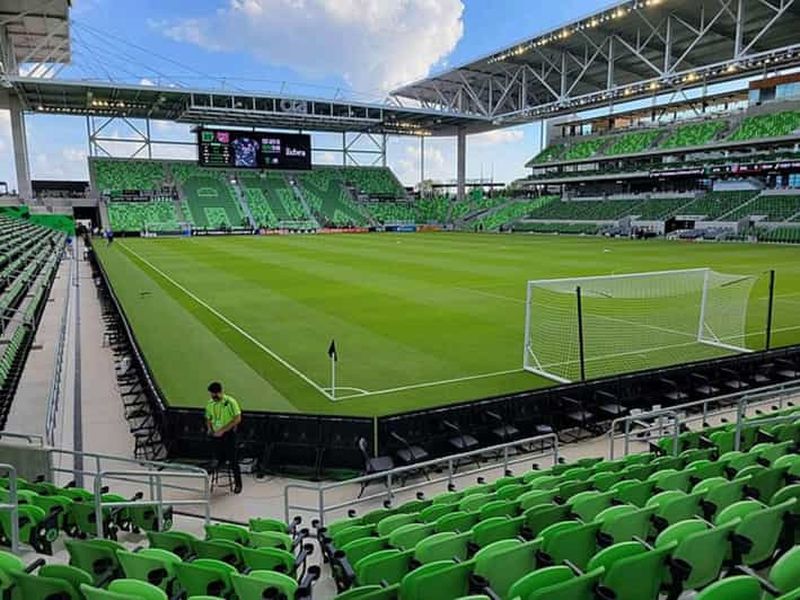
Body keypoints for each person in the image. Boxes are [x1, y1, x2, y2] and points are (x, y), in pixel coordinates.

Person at [205, 381, 243, 494]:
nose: (213, 396)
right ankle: (215, 467)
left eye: (215, 394)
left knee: (233, 460)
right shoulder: (210, 403)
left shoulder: (230, 402)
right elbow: (208, 417)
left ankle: (238, 484)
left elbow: (237, 419)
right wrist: (209, 429)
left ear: (221, 392)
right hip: (216, 434)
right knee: (217, 457)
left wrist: (223, 430)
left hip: (229, 434)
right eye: (212, 394)